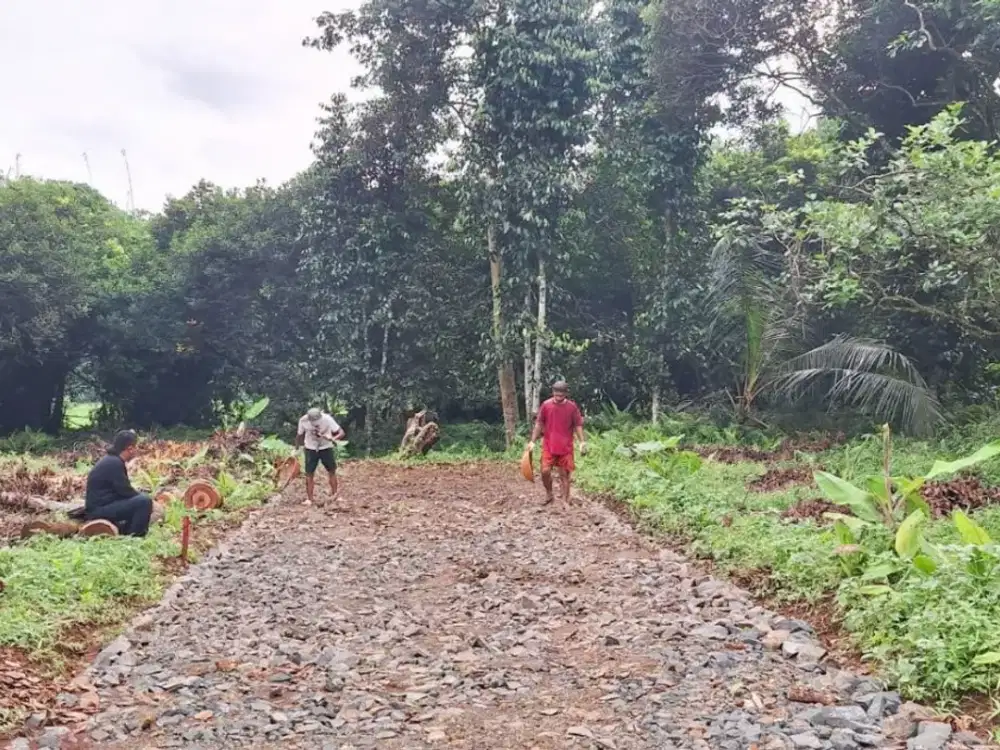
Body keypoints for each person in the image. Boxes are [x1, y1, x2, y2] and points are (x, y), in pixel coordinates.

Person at [527, 380, 587, 507]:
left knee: (564, 474)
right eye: (556, 393)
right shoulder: (546, 405)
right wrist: (532, 441)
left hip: (565, 447)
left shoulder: (572, 407)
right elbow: (539, 424)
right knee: (545, 471)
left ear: (566, 393)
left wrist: (582, 442)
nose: (558, 396)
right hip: (549, 445)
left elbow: (578, 425)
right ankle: (549, 494)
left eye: (561, 394)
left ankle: (566, 499)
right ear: (553, 392)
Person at [84, 430, 153, 537]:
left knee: (140, 500)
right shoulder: (114, 463)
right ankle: (135, 537)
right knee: (144, 501)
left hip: (104, 505)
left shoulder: (112, 460)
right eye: (135, 447)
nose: (136, 451)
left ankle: (127, 531)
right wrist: (143, 498)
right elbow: (126, 491)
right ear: (130, 449)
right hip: (98, 510)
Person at [296, 407, 346, 506]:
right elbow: (299, 435)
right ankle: (310, 499)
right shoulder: (303, 420)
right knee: (309, 473)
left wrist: (332, 438)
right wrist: (296, 448)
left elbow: (341, 433)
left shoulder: (327, 419)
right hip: (310, 447)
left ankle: (335, 494)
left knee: (331, 470)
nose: (315, 423)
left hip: (326, 447)